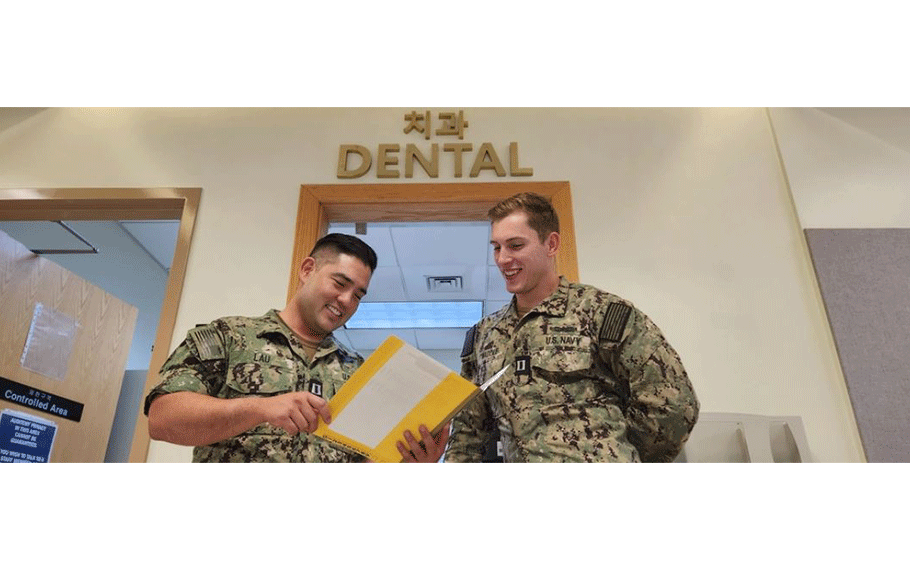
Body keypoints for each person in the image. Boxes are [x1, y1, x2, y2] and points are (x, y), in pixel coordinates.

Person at [145, 233, 447, 463]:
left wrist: (410, 464)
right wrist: (260, 407)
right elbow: (163, 420)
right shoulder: (228, 337)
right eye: (340, 283)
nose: (346, 300)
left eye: (358, 295)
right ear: (307, 270)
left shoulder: (358, 372)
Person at [444, 193, 699, 462]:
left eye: (515, 245)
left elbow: (672, 405)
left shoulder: (602, 313)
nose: (503, 259)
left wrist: (616, 452)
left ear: (551, 244)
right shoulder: (484, 336)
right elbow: (467, 434)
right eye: (496, 247)